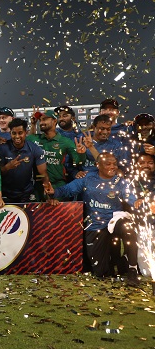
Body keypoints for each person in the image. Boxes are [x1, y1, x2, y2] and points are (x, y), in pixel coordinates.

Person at [47, 152, 140, 286]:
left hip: (115, 220)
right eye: (108, 164)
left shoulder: (121, 182)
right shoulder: (88, 178)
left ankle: (132, 270)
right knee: (101, 272)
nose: (113, 167)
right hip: (96, 224)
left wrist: (137, 202)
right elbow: (67, 190)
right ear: (98, 165)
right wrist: (53, 192)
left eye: (114, 164)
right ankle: (118, 262)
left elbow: (131, 198)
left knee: (128, 228)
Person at [27, 110, 86, 200]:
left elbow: (78, 161)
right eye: (40, 120)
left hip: (58, 185)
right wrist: (33, 125)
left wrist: (81, 153)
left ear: (54, 121)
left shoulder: (65, 141)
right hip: (38, 186)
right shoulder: (36, 139)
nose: (41, 122)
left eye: (45, 119)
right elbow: (27, 142)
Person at [0, 118, 51, 203]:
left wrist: (48, 193)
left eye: (20, 133)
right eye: (14, 133)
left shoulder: (34, 149)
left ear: (26, 133)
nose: (17, 136)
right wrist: (7, 167)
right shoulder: (2, 148)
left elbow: (43, 173)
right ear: (10, 133)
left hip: (26, 192)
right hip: (6, 192)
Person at [54, 105, 84, 181]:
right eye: (59, 116)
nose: (61, 119)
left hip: (76, 177)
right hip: (57, 178)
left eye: (65, 116)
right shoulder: (53, 134)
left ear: (73, 118)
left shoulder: (81, 135)